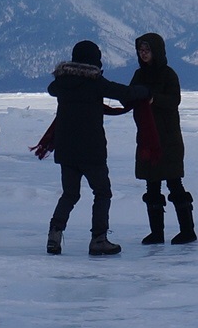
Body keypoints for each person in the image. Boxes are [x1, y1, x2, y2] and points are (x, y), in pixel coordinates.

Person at [44, 39, 148, 256]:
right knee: (102, 192)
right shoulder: (95, 82)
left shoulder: (62, 84)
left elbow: (52, 88)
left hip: (66, 150)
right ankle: (99, 239)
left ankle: (54, 236)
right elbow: (124, 93)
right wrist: (145, 91)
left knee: (69, 194)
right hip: (91, 149)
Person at [129, 32, 196, 244]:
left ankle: (188, 230)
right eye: (141, 50)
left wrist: (153, 98)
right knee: (152, 186)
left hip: (168, 138)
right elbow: (130, 95)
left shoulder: (168, 74)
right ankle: (157, 233)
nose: (144, 53)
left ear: (156, 51)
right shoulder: (139, 75)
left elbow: (174, 100)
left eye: (147, 50)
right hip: (147, 138)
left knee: (174, 184)